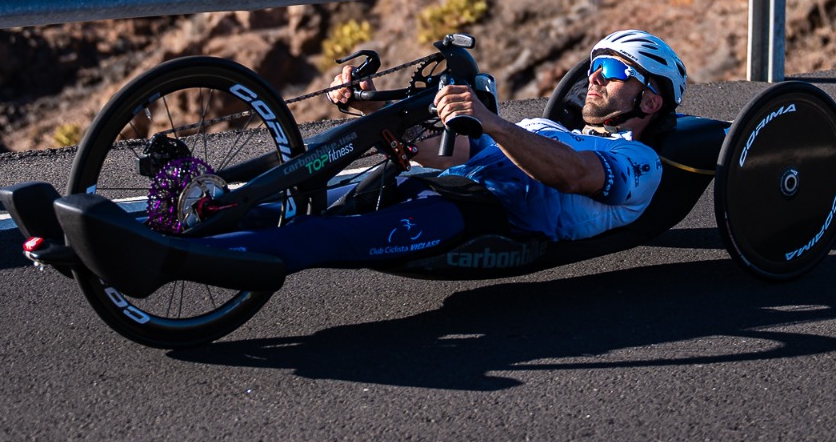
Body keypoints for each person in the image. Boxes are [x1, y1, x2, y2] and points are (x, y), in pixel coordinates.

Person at [194, 29, 688, 271]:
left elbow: (574, 176)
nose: (595, 76)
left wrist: (491, 120)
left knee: (316, 236)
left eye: (617, 70)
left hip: (475, 218)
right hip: (428, 186)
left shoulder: (638, 162)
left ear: (649, 99)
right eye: (596, 65)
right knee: (277, 210)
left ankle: (175, 259)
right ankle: (161, 229)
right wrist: (361, 107)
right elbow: (446, 152)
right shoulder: (541, 125)